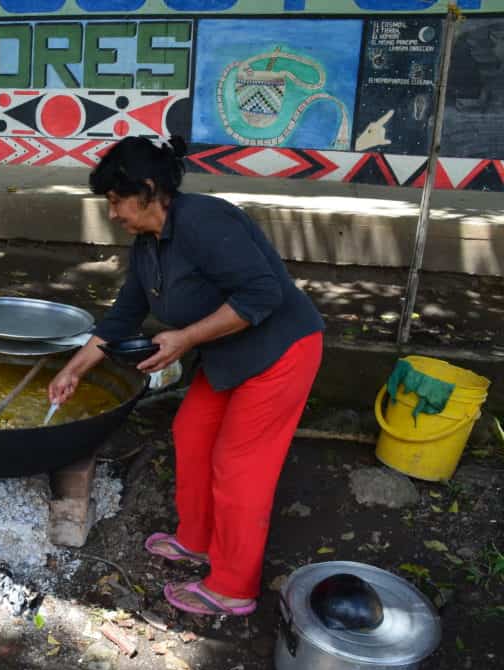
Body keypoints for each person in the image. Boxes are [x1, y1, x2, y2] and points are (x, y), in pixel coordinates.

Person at [48, 136, 323, 616]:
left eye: (117, 201)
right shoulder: (148, 245)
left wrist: (187, 337)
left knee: (240, 467)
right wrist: (71, 371)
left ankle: (233, 588)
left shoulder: (203, 220)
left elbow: (261, 294)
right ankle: (198, 540)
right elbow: (121, 319)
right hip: (227, 354)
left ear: (149, 189)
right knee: (191, 433)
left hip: (281, 351)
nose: (113, 213)